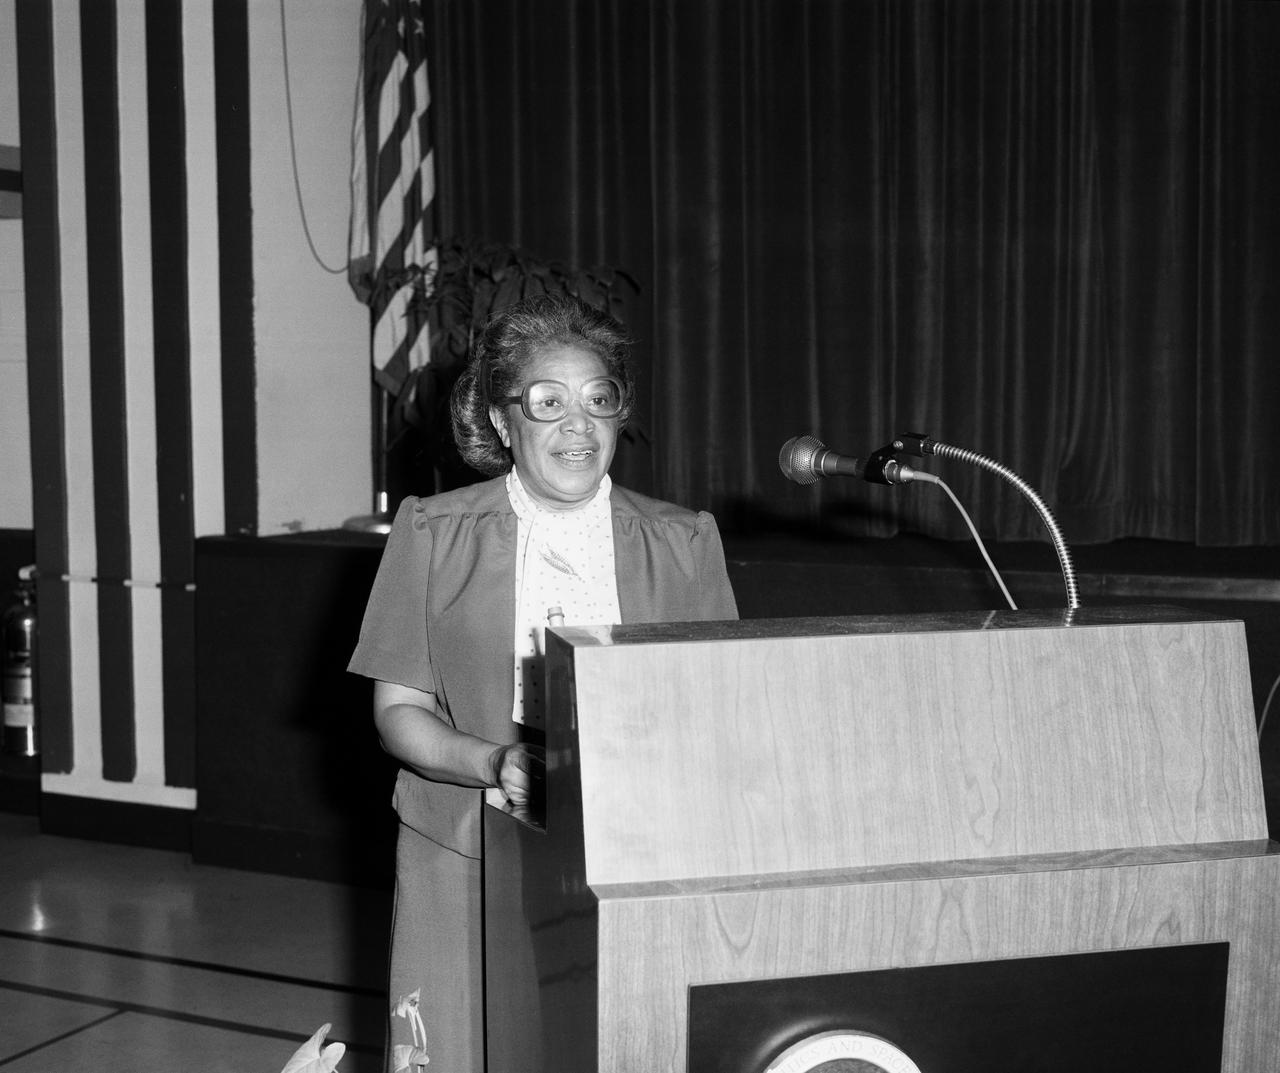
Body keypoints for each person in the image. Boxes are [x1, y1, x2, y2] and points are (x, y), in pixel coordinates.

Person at [347, 294, 738, 1073]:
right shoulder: (432, 532)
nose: (577, 425)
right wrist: (496, 763)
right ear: (500, 420)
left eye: (598, 401)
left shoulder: (683, 541)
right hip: (464, 847)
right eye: (547, 402)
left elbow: (721, 713)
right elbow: (397, 710)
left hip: (636, 858)